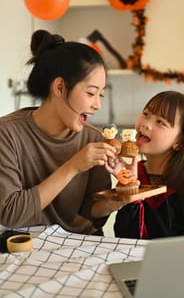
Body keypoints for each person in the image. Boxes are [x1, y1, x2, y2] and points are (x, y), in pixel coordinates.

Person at [0, 29, 121, 236]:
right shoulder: (7, 134)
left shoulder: (93, 139)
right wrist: (73, 166)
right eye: (91, 93)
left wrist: (118, 199)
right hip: (24, 247)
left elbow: (92, 217)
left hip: (82, 245)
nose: (98, 105)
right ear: (60, 87)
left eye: (100, 94)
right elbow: (11, 214)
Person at [106, 90, 184, 239]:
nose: (146, 124)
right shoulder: (134, 174)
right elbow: (123, 238)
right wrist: (130, 187)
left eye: (160, 122)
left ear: (179, 142)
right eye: (146, 114)